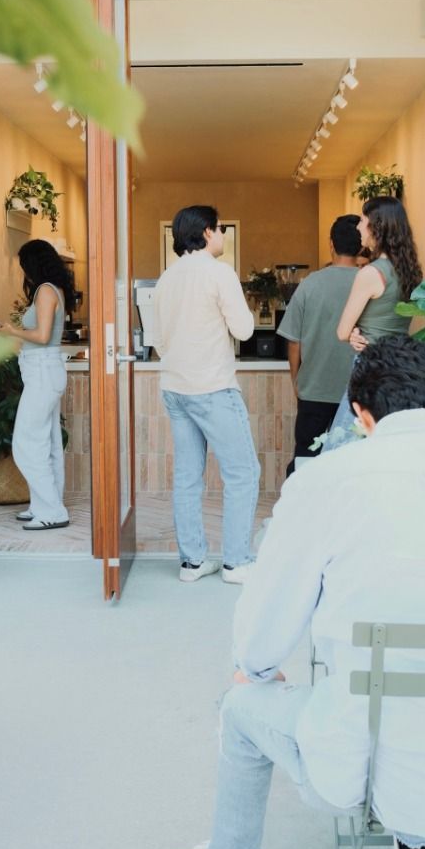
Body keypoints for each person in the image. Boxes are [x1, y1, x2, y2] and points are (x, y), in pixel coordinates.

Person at [149, 337, 425, 849]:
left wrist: (255, 671)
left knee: (241, 703)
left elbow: (262, 636)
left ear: (361, 416)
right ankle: (418, 841)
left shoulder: (326, 481)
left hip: (361, 774)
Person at [151, 205, 261, 583]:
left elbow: (159, 341)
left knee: (187, 478)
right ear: (208, 233)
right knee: (243, 473)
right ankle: (236, 562)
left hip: (175, 388)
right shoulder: (219, 273)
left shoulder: (166, 279)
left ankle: (192, 563)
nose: (225, 236)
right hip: (212, 387)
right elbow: (245, 330)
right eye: (221, 229)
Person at [319, 197, 423, 452]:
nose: (358, 228)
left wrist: (353, 332)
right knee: (386, 449)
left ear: (377, 226)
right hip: (400, 369)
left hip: (370, 368)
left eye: (363, 221)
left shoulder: (370, 274)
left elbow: (342, 331)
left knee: (341, 448)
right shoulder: (409, 272)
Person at [0, 239, 74, 530]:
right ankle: (44, 505)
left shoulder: (46, 291)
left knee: (25, 443)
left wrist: (12, 329)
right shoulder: (52, 290)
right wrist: (10, 331)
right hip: (45, 371)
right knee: (46, 442)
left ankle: (52, 510)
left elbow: (43, 335)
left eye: (23, 264)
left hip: (43, 372)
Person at [278, 215, 363, 470]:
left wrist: (296, 381)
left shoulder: (310, 284)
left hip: (314, 389)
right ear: (362, 246)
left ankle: (302, 509)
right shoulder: (369, 283)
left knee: (306, 458)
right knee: (352, 460)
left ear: (331, 244)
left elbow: (294, 341)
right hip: (357, 391)